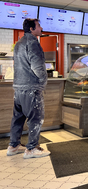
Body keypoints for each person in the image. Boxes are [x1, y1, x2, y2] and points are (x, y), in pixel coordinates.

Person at [7, 19, 50, 159]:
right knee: (35, 118)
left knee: (18, 118)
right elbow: (37, 67)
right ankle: (31, 148)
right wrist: (43, 82)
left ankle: (13, 146)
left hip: (18, 88)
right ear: (32, 29)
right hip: (31, 88)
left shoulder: (19, 43)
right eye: (39, 26)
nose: (41, 28)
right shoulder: (33, 43)